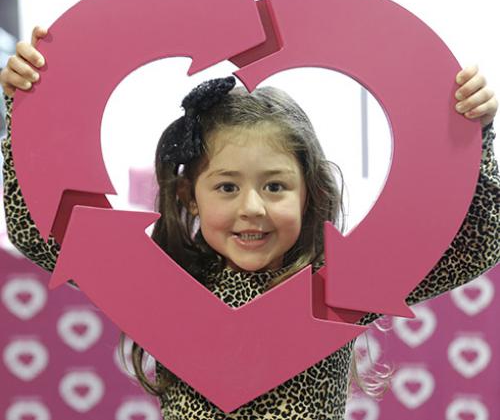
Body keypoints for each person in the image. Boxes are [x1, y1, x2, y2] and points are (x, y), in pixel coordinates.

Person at [1, 25, 498, 420]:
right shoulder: (167, 282)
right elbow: (38, 231)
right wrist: (23, 106)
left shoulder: (336, 286)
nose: (253, 208)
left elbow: (478, 244)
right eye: (226, 187)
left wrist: (474, 135)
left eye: (275, 187)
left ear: (310, 194)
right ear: (187, 197)